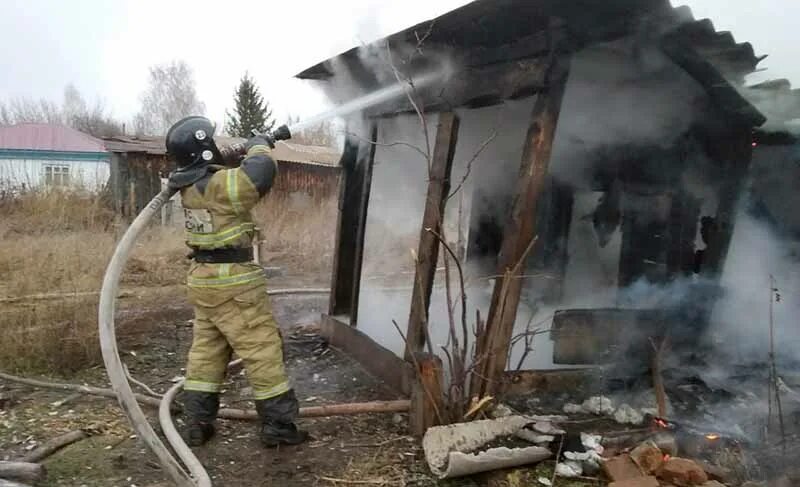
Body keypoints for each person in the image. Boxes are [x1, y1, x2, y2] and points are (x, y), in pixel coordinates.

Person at [164, 116, 307, 447]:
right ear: (204, 149)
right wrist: (259, 144)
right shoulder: (220, 186)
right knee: (262, 349)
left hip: (204, 279)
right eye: (211, 143)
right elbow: (259, 174)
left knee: (207, 352)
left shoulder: (190, 187)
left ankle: (197, 423)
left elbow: (218, 175)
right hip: (233, 283)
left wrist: (229, 155)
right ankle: (279, 427)